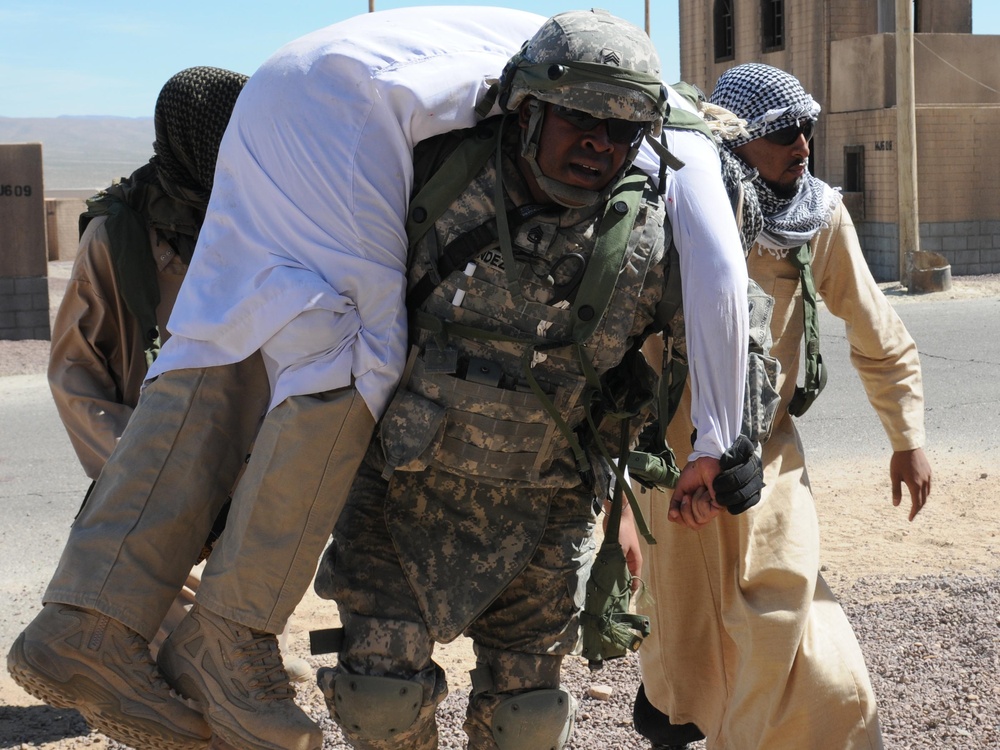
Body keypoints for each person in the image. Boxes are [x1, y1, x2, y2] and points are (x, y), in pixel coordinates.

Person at [5, 9, 577, 750]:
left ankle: (106, 627)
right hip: (152, 458)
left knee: (249, 362)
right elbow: (80, 374)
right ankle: (203, 638)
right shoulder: (123, 228)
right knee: (357, 347)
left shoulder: (245, 197)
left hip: (236, 448)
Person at [311, 10, 758, 750]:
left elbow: (736, 333)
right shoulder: (431, 178)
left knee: (526, 721)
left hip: (545, 505)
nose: (599, 144)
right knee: (378, 702)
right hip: (397, 492)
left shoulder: (650, 234)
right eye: (580, 119)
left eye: (621, 131)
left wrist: (735, 445)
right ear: (527, 111)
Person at [632, 63, 933, 750]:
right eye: (782, 133)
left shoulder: (817, 216)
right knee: (680, 643)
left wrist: (906, 435)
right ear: (736, 145)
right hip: (665, 461)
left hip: (765, 458)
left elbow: (875, 330)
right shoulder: (666, 208)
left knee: (787, 622)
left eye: (807, 128)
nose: (802, 144)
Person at [46, 65, 311, 683]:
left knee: (254, 558)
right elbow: (76, 371)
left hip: (257, 435)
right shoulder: (126, 233)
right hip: (161, 439)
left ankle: (233, 654)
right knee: (147, 552)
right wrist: (137, 468)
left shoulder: (269, 215)